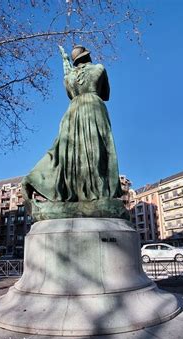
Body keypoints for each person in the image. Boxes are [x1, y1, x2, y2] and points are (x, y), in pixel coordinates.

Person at [23, 45, 127, 219]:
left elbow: (71, 95)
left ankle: (73, 191)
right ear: (87, 56)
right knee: (97, 149)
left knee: (70, 152)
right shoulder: (99, 68)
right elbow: (106, 94)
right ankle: (98, 193)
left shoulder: (68, 77)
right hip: (94, 107)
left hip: (74, 111)